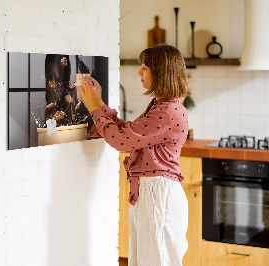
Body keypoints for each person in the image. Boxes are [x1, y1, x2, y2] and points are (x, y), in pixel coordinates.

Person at [78, 44, 190, 266]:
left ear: (161, 72)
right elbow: (129, 133)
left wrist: (93, 108)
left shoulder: (167, 111)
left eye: (145, 67)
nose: (139, 72)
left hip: (158, 195)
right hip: (153, 193)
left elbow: (121, 141)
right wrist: (99, 104)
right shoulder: (163, 106)